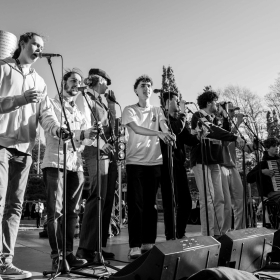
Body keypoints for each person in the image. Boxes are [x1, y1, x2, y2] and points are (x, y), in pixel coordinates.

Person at [0, 31, 65, 279]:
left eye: (41, 46)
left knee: (15, 207)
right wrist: (19, 99)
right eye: (35, 44)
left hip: (24, 150)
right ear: (23, 44)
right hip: (1, 144)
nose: (39, 49)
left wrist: (56, 128)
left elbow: (46, 114)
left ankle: (5, 262)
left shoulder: (40, 80)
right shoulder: (3, 68)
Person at [42, 69, 97, 270]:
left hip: (76, 165)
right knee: (55, 212)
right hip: (55, 163)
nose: (77, 84)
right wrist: (80, 134)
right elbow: (51, 126)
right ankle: (58, 257)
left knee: (72, 212)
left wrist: (90, 133)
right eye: (73, 80)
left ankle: (68, 254)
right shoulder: (51, 103)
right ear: (63, 83)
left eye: (79, 82)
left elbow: (85, 141)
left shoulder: (80, 111)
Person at [122, 75, 175, 259]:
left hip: (155, 163)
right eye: (143, 85)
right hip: (135, 162)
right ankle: (134, 245)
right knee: (136, 205)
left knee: (151, 205)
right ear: (136, 90)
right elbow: (136, 129)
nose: (147, 88)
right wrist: (159, 133)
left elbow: (164, 127)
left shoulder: (158, 110)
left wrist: (168, 134)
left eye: (149, 86)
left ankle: (148, 243)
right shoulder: (129, 110)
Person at [190, 87, 244, 237]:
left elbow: (222, 131)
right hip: (201, 161)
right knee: (207, 198)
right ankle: (207, 235)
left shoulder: (215, 118)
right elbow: (212, 130)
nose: (217, 105)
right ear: (208, 103)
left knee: (219, 198)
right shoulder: (198, 115)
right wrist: (234, 137)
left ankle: (219, 234)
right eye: (215, 102)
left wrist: (227, 117)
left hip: (215, 162)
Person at [75, 68, 116, 262]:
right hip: (96, 150)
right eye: (106, 81)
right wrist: (102, 145)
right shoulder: (86, 97)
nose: (108, 85)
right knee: (97, 195)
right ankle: (85, 248)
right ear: (98, 80)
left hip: (107, 152)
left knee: (106, 198)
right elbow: (87, 126)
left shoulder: (103, 101)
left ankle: (97, 246)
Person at [160, 91, 200, 240]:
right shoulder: (163, 119)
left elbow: (188, 139)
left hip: (179, 165)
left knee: (186, 202)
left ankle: (180, 233)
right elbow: (176, 129)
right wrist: (183, 113)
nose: (178, 103)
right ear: (167, 102)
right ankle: (170, 236)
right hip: (166, 165)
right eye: (176, 101)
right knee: (170, 202)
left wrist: (199, 136)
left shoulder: (179, 120)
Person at [247, 137, 280, 206]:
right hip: (271, 193)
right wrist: (262, 172)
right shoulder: (263, 164)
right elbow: (248, 178)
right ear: (267, 149)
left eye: (277, 146)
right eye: (274, 146)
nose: (277, 148)